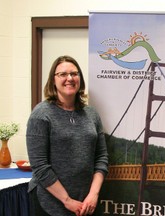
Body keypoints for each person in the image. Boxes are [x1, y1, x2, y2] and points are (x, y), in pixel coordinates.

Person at [26, 55, 108, 216]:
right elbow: (40, 166)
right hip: (50, 204)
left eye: (74, 73)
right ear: (53, 80)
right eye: (63, 74)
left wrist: (93, 194)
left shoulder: (92, 114)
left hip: (87, 203)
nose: (69, 78)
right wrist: (67, 201)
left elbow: (102, 157)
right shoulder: (41, 114)